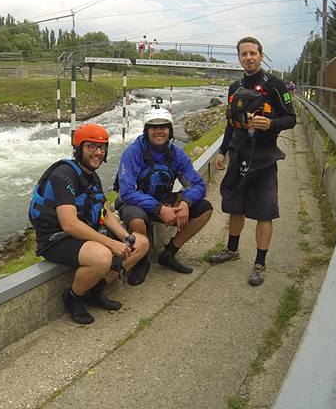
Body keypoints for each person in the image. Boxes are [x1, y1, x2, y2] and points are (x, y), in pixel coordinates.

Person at [29, 124, 149, 325]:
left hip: (83, 232)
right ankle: (74, 297)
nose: (98, 153)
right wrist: (111, 244)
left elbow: (104, 212)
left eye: (102, 148)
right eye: (91, 147)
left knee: (141, 243)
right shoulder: (63, 175)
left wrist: (125, 237)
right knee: (102, 257)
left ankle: (96, 289)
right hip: (55, 238)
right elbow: (69, 224)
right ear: (79, 148)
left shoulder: (91, 175)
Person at [207, 37, 296, 286]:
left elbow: (291, 119)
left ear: (261, 55)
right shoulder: (234, 87)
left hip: (264, 158)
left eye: (252, 53)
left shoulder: (275, 85)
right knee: (235, 206)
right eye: (244, 54)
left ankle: (259, 263)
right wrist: (223, 151)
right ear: (239, 58)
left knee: (264, 212)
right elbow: (230, 124)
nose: (248, 58)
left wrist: (271, 123)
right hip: (239, 154)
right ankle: (232, 250)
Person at [116, 107, 212, 284]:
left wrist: (185, 202)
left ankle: (169, 253)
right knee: (137, 220)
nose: (159, 131)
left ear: (170, 131)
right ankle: (141, 262)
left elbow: (197, 184)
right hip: (134, 203)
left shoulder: (176, 154)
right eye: (153, 127)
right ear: (146, 131)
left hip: (164, 200)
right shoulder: (133, 152)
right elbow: (127, 191)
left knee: (205, 209)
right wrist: (159, 208)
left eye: (163, 127)